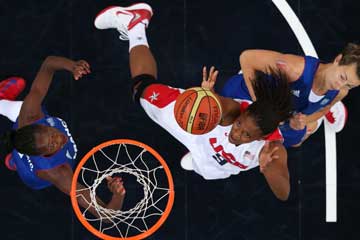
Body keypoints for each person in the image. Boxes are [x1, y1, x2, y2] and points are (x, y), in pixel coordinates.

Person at [94, 3, 295, 201]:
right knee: (142, 88)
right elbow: (218, 106)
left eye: (246, 134)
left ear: (262, 137)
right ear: (243, 113)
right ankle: (135, 23)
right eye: (240, 124)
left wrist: (269, 170)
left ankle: (199, 160)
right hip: (201, 127)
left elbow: (283, 192)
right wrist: (208, 96)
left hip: (217, 162)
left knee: (207, 170)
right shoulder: (232, 110)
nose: (237, 132)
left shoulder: (272, 151)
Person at [0, 56, 126, 215]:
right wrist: (117, 195)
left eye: (52, 133)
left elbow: (48, 63)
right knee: (20, 161)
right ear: (43, 154)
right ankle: (15, 161)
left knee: (22, 108)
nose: (60, 138)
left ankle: (13, 154)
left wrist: (72, 66)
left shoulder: (30, 114)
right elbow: (107, 215)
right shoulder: (58, 173)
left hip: (25, 130)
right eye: (53, 145)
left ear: (39, 123)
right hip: (31, 176)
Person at [221, 44, 360, 147]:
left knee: (297, 140)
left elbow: (324, 108)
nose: (339, 86)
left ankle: (317, 122)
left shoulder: (341, 91)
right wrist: (259, 101)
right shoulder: (294, 69)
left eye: (349, 85)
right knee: (225, 116)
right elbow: (247, 58)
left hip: (285, 112)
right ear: (338, 59)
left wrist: (302, 121)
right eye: (342, 77)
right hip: (251, 95)